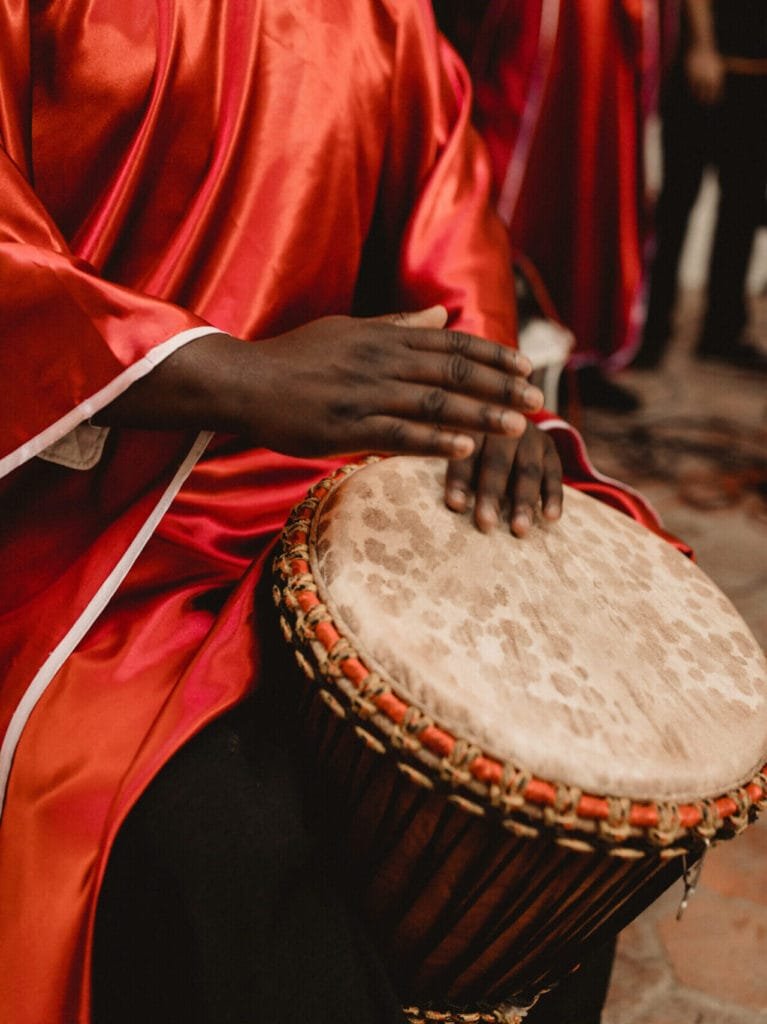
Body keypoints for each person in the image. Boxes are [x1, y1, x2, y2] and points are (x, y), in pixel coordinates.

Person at [0, 2, 672, 1022]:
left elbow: (452, 231)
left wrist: (486, 399)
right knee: (209, 837)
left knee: (564, 784)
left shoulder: (383, 16)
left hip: (323, 482)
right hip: (83, 509)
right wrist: (226, 372)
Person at [433, 0, 654, 413]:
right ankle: (487, 339)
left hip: (599, 34)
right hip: (531, 30)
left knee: (594, 172)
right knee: (505, 180)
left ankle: (579, 353)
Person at [638, 0, 767, 370]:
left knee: (741, 208)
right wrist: (701, 46)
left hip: (756, 76)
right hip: (708, 65)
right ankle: (650, 330)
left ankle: (722, 331)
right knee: (676, 207)